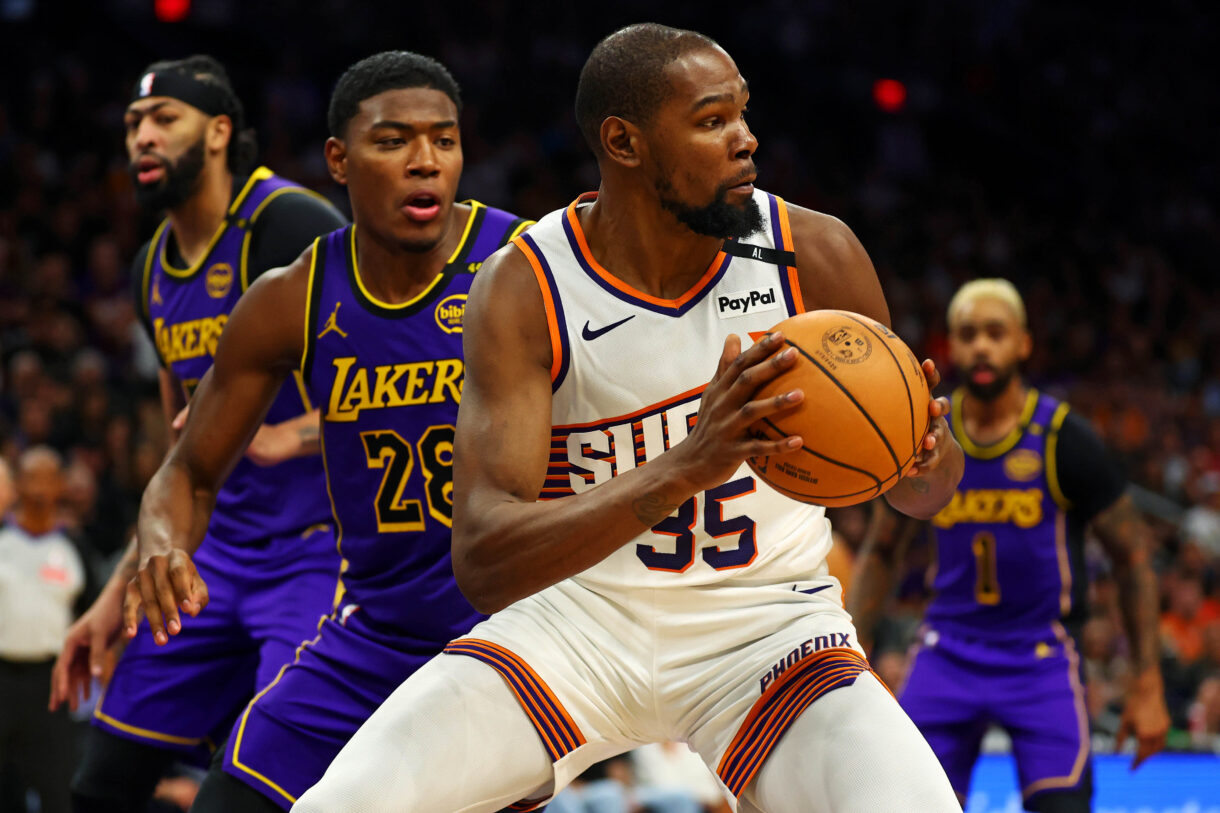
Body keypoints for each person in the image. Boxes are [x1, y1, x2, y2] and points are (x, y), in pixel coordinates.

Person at [295, 24, 965, 813]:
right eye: (712, 120)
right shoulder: (525, 284)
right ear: (624, 142)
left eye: (743, 113)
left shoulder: (813, 252)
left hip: (769, 627)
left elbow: (921, 496)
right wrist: (685, 466)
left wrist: (925, 457)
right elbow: (482, 560)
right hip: (574, 627)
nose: (746, 139)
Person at [120, 51, 532, 812]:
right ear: (338, 160)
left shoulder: (528, 261)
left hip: (510, 636)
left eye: (443, 140)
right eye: (394, 141)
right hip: (374, 633)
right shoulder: (292, 297)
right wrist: (163, 540)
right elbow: (188, 471)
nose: (424, 161)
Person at [48, 55, 347, 812]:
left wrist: (286, 435)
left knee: (254, 792)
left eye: (163, 119)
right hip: (211, 556)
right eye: (133, 124)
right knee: (98, 787)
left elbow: (401, 378)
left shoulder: (289, 223)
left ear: (218, 132)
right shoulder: (151, 267)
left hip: (319, 552)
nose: (142, 137)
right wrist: (113, 597)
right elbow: (177, 460)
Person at [848, 278, 1170, 811]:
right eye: (968, 334)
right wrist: (850, 664)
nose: (981, 346)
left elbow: (1133, 556)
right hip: (948, 648)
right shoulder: (925, 437)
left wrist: (1148, 682)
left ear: (1023, 343)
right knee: (905, 801)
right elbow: (880, 550)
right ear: (950, 346)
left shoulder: (1064, 438)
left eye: (995, 333)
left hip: (1040, 653)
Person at [1, 448, 92, 813]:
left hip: (52, 684)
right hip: (2, 678)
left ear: (61, 485)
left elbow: (92, 614)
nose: (39, 489)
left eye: (47, 479)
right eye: (31, 478)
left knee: (59, 792)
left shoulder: (75, 545)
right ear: (17, 485)